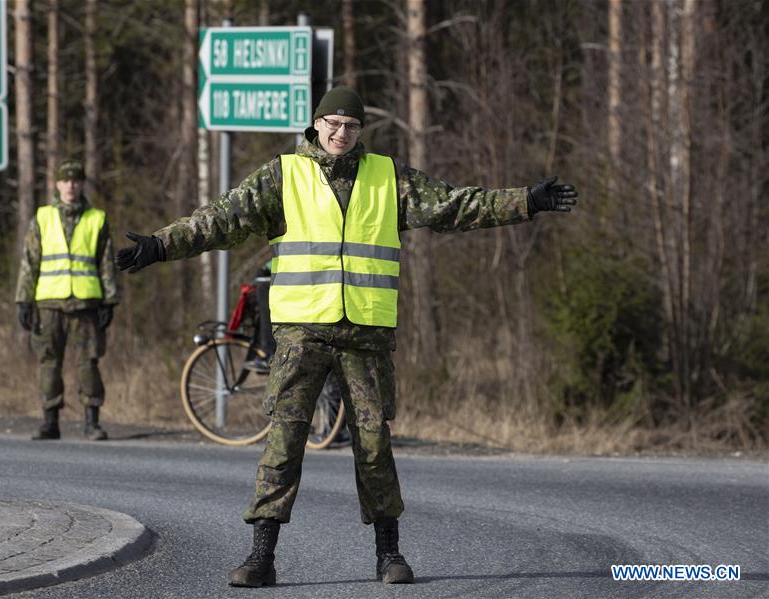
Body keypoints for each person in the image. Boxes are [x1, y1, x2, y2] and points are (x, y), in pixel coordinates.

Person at [116, 87, 577, 586]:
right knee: (284, 444)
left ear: (360, 131)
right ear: (316, 125)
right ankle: (261, 558)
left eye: (351, 126)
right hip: (302, 333)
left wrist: (525, 201)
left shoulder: (387, 177)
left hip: (365, 334)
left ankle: (389, 555)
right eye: (333, 124)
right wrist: (159, 245)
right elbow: (220, 219)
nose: (341, 133)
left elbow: (454, 205)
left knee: (374, 445)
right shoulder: (283, 175)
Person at [15, 159, 120, 441]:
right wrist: (23, 300)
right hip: (49, 304)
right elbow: (29, 262)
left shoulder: (96, 219)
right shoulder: (43, 218)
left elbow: (106, 262)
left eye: (76, 180)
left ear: (82, 184)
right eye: (66, 180)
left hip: (86, 304)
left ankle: (92, 423)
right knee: (49, 363)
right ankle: (50, 422)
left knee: (89, 363)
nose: (71, 185)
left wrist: (110, 300)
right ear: (57, 184)